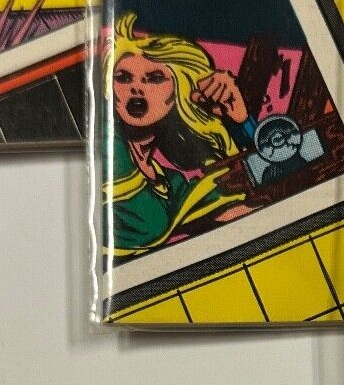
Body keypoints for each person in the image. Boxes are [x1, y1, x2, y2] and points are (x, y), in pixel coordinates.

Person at [104, 17, 255, 253]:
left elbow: (236, 194)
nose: (136, 88)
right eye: (123, 77)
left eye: (155, 78)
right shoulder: (110, 149)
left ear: (178, 91)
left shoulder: (169, 183)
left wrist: (240, 121)